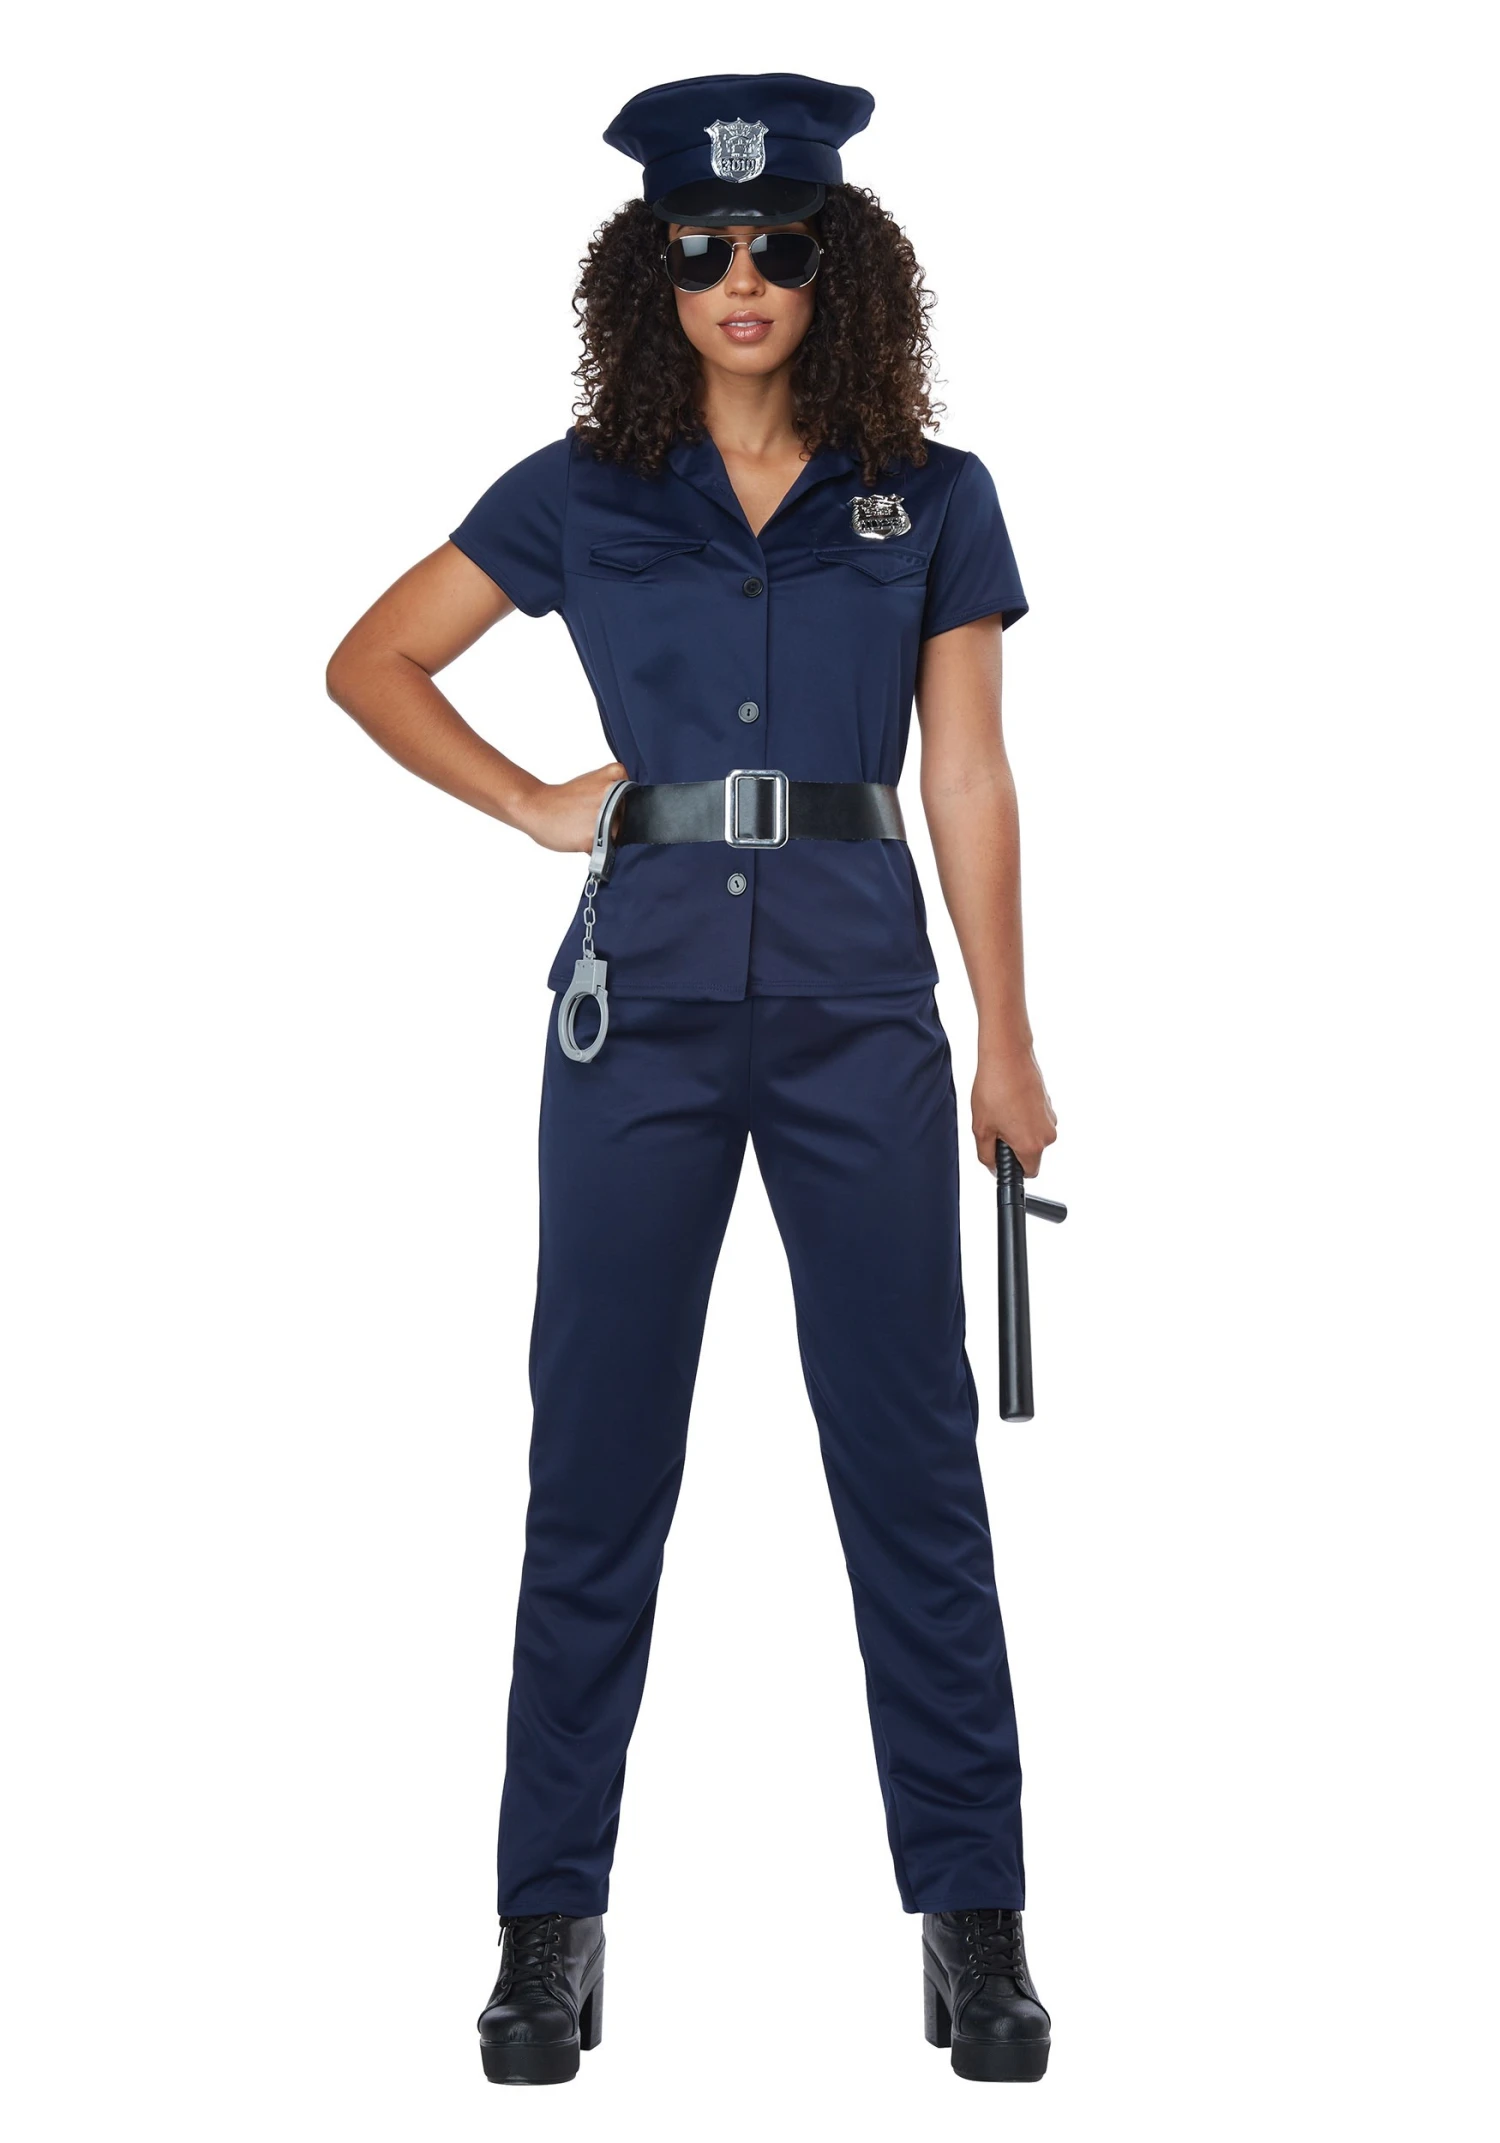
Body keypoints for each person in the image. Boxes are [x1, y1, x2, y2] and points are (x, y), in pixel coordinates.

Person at [325, 71, 1058, 2087]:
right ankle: (545, 1932)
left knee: (910, 1468)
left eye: (782, 244)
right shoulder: (583, 489)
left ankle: (975, 1924)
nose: (743, 276)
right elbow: (373, 661)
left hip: (860, 1014)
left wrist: (1008, 1035)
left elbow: (968, 771)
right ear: (650, 271)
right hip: (634, 1015)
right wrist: (526, 801)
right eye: (703, 247)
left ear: (841, 267)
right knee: (595, 1469)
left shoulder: (933, 494)